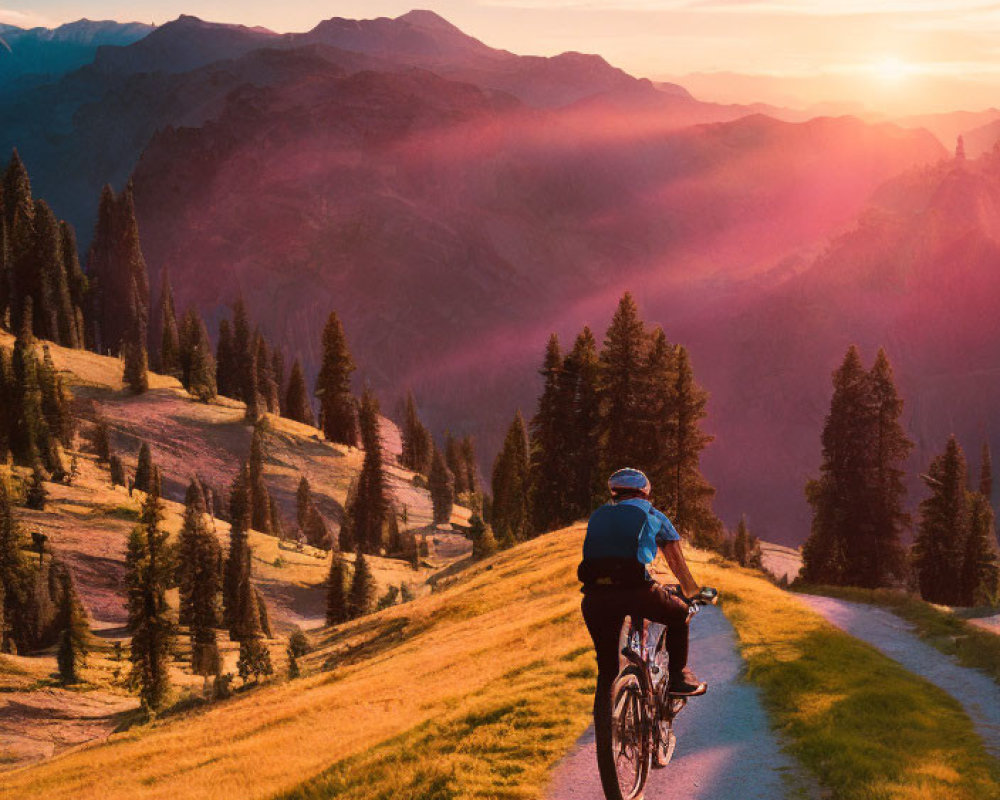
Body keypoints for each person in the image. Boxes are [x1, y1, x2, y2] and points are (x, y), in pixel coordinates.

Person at [579, 468, 714, 708]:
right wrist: (691, 592)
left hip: (594, 597)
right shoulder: (652, 514)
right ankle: (678, 677)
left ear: (615, 493)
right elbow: (675, 560)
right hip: (636, 591)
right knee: (679, 613)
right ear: (645, 492)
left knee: (607, 671)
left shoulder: (599, 515)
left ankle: (605, 738)